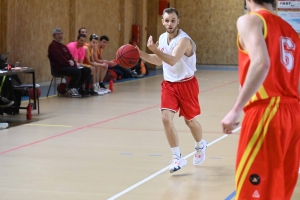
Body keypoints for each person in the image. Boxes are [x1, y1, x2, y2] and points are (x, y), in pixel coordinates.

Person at [221, 0, 300, 199]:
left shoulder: (251, 21)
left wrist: (236, 108)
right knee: (278, 193)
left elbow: (261, 62)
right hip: (293, 114)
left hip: (267, 112)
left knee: (253, 193)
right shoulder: (291, 30)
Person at [138, 8, 207, 173]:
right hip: (169, 85)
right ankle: (177, 157)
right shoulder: (162, 38)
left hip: (187, 84)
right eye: (167, 20)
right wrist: (139, 53)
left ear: (178, 21)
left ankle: (200, 145)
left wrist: (153, 49)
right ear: (162, 21)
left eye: (173, 20)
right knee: (165, 118)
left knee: (190, 121)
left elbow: (172, 60)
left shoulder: (184, 41)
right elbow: (158, 61)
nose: (170, 24)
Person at [48, 28, 91, 98]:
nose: (60, 35)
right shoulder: (53, 46)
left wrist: (72, 61)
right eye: (58, 34)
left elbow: (70, 56)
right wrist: (71, 63)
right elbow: (59, 59)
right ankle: (70, 88)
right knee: (77, 71)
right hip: (59, 68)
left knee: (87, 70)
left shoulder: (63, 46)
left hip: (67, 66)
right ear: (54, 36)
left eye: (61, 33)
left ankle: (77, 87)